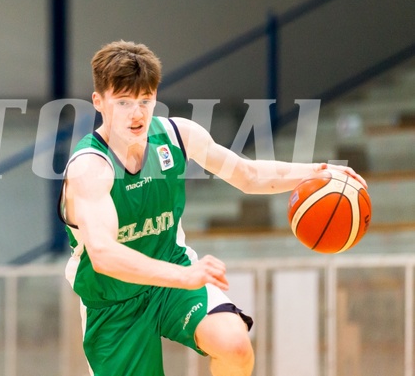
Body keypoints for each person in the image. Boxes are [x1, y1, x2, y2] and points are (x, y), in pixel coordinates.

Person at [58, 40, 366, 376]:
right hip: (114, 301)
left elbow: (246, 175)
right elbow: (104, 255)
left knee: (234, 346)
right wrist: (186, 275)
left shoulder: (177, 136)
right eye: (124, 102)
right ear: (99, 102)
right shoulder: (90, 168)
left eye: (145, 100)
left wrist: (317, 172)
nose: (137, 114)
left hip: (172, 277)